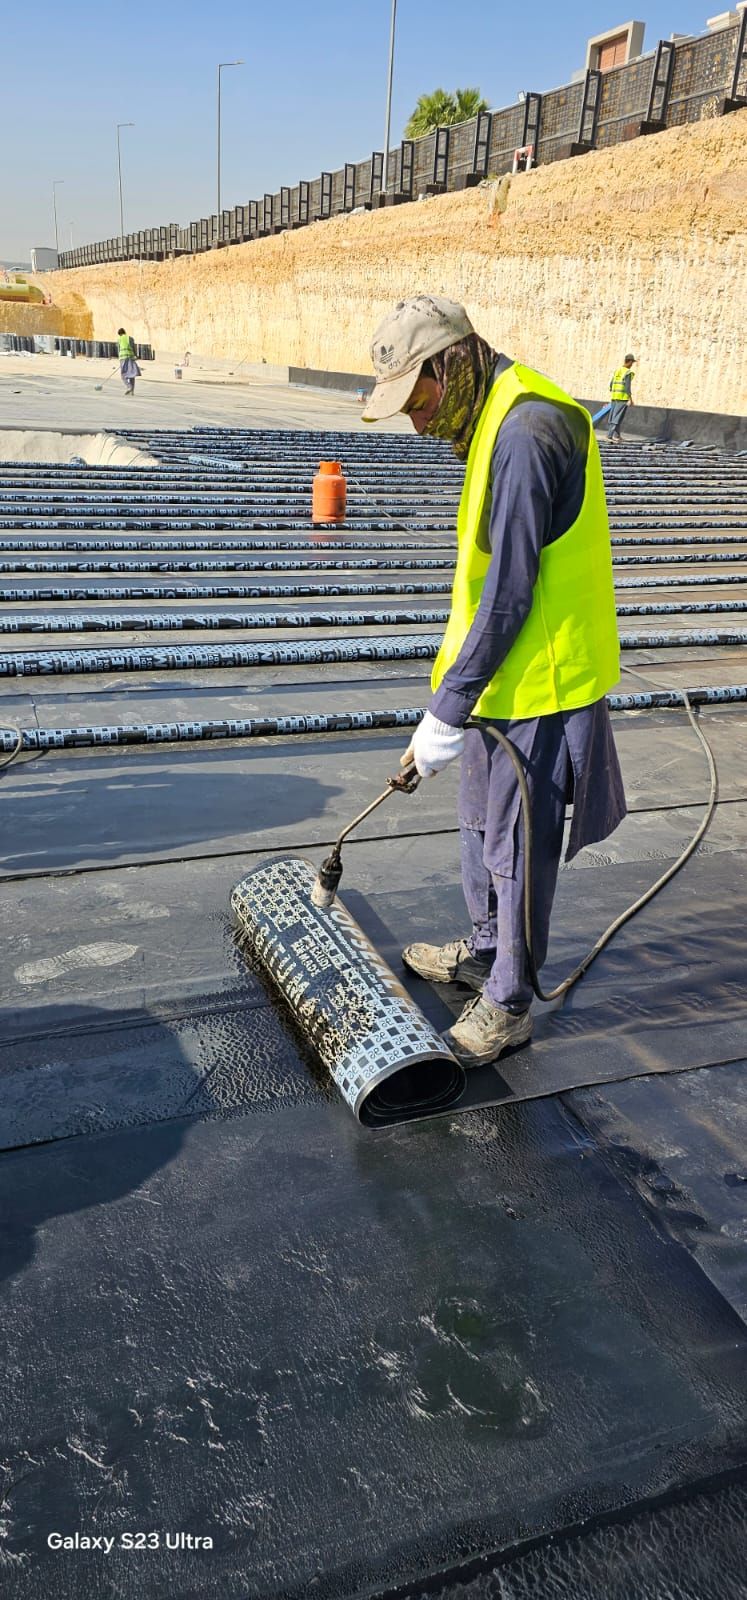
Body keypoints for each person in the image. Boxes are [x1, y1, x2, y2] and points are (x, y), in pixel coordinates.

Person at [362, 295, 626, 1066]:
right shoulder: (488, 416)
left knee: (515, 845)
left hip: (543, 679)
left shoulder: (526, 432)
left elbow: (510, 590)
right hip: (496, 677)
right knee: (478, 822)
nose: (416, 423)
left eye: (417, 402)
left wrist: (444, 711)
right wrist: (452, 699)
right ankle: (483, 952)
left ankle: (509, 1003)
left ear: (448, 365)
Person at [607, 354, 636, 442]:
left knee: (615, 416)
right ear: (629, 361)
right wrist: (631, 399)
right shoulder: (628, 372)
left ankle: (617, 435)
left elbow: (611, 384)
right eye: (632, 363)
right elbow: (627, 387)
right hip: (622, 398)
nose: (632, 365)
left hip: (614, 396)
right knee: (617, 417)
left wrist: (614, 391)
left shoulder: (618, 370)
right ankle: (609, 435)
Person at [117, 327, 141, 396]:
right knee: (132, 374)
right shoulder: (130, 338)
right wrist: (135, 355)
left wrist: (119, 359)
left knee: (123, 375)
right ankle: (132, 391)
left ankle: (129, 387)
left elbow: (118, 349)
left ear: (119, 334)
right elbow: (134, 348)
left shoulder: (119, 339)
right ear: (124, 332)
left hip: (123, 358)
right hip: (131, 357)